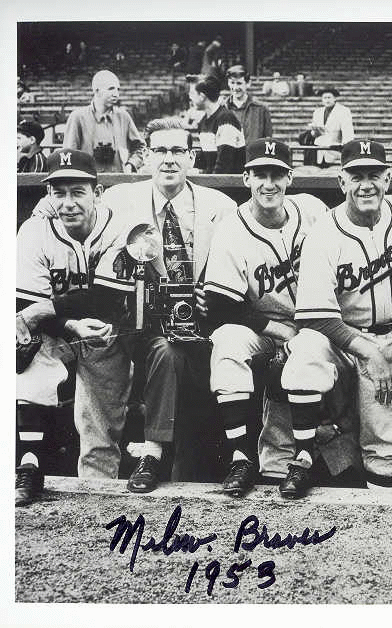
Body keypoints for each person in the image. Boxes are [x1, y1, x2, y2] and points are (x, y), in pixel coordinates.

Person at [277, 140, 392, 498]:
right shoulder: (323, 233)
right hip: (343, 338)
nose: (366, 184)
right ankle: (301, 457)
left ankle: (381, 521)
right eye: (356, 176)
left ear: (389, 178)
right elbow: (315, 315)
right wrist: (367, 351)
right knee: (305, 350)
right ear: (341, 182)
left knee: (386, 449)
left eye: (374, 175)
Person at [90, 117, 237, 492]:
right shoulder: (119, 201)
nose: (168, 160)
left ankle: (193, 460)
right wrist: (44, 210)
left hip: (199, 321)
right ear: (145, 157)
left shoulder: (219, 206)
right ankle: (151, 454)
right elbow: (78, 217)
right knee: (167, 352)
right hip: (141, 320)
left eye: (177, 151)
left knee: (189, 355)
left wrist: (214, 292)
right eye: (160, 151)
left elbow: (234, 263)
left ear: (191, 158)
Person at [204, 138, 332, 496]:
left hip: (317, 323)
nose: (269, 183)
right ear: (246, 178)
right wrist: (278, 331)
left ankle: (299, 460)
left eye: (277, 174)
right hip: (263, 325)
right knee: (227, 342)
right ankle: (240, 457)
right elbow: (222, 306)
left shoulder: (312, 210)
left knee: (304, 352)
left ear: (290, 177)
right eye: (260, 174)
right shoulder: (232, 228)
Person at [15, 149, 134, 505]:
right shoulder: (35, 230)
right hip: (57, 330)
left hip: (106, 328)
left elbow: (108, 297)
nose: (67, 202)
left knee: (99, 416)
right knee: (30, 361)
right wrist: (65, 322)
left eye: (77, 191)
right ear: (47, 195)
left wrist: (44, 311)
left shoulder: (119, 226)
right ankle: (28, 467)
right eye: (58, 192)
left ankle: (97, 490)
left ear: (97, 192)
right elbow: (25, 305)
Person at [62, 70, 146, 174]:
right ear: (97, 91)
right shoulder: (77, 117)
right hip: (88, 182)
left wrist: (131, 165)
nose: (116, 94)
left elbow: (140, 147)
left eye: (118, 89)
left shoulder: (124, 116)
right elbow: (68, 155)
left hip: (119, 181)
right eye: (111, 88)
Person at [189, 74, 245, 174]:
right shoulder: (204, 121)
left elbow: (224, 165)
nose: (189, 97)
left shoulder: (226, 119)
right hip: (214, 181)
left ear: (202, 97)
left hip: (230, 185)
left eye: (192, 93)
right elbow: (207, 160)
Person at [225, 64, 274, 144]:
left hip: (252, 155)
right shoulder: (222, 108)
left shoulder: (261, 109)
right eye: (232, 83)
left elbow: (268, 140)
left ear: (248, 83)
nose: (235, 87)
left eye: (239, 83)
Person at [308, 87, 354, 167]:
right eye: (324, 98)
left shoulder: (343, 111)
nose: (327, 100)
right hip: (319, 150)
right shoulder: (317, 112)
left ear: (335, 98)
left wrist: (345, 149)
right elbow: (314, 134)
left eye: (329, 97)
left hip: (334, 149)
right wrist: (315, 131)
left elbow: (348, 132)